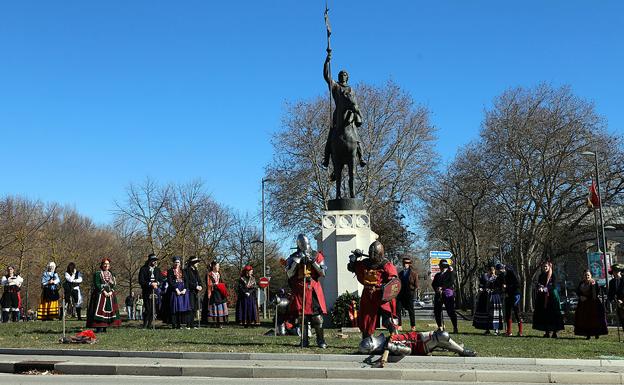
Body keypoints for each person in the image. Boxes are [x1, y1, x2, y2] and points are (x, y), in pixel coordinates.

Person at [322, 49, 366, 173]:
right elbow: (326, 75)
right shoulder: (335, 86)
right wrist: (327, 60)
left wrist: (358, 114)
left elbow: (354, 104)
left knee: (355, 136)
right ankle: (326, 159)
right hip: (338, 117)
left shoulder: (351, 89)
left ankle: (361, 157)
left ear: (347, 77)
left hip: (350, 116)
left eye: (344, 74)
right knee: (330, 137)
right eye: (341, 74)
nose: (342, 76)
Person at [348, 240, 398, 339]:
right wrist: (353, 260)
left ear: (380, 254)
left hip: (382, 295)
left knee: (388, 318)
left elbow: (394, 281)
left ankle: (395, 338)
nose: (372, 255)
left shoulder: (386, 265)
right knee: (367, 319)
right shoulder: (364, 263)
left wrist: (386, 287)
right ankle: (367, 340)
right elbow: (352, 268)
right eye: (371, 253)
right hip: (368, 295)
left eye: (375, 253)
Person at [286, 234, 328, 348]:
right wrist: (297, 261)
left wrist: (313, 261)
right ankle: (304, 340)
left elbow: (323, 273)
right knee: (302, 318)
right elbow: (289, 274)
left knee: (317, 318)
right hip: (300, 290)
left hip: (313, 288)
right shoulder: (293, 256)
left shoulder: (317, 255)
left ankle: (321, 340)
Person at [358, 329, 476, 366]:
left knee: (440, 336)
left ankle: (455, 347)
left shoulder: (388, 339)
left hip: (419, 337)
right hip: (420, 346)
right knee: (442, 336)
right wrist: (392, 346)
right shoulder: (388, 348)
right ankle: (462, 351)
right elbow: (408, 350)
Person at [86, 258, 121, 332]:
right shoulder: (98, 274)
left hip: (110, 294)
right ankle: (98, 327)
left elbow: (114, 284)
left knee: (109, 311)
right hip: (100, 294)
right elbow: (97, 283)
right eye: (105, 264)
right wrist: (103, 291)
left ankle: (105, 327)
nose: (106, 265)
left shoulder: (112, 274)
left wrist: (111, 291)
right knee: (99, 310)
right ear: (102, 265)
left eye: (108, 264)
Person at [532, 260, 564, 338]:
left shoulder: (553, 275)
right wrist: (539, 287)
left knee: (553, 314)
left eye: (546, 266)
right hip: (543, 298)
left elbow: (554, 285)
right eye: (543, 266)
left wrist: (546, 288)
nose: (545, 268)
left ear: (549, 267)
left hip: (552, 297)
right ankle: (547, 331)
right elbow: (539, 283)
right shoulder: (541, 275)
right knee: (545, 314)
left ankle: (554, 332)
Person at [574, 269, 608, 339]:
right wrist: (580, 296)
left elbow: (595, 293)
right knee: (585, 319)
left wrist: (587, 297)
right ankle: (588, 334)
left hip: (593, 303)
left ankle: (596, 334)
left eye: (588, 275)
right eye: (585, 275)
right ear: (583, 276)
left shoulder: (594, 283)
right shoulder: (581, 283)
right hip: (583, 304)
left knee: (594, 319)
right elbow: (577, 291)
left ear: (591, 275)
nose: (587, 276)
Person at [472, 262, 503, 335]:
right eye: (490, 270)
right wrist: (481, 289)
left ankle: (496, 329)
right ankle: (487, 328)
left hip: (494, 297)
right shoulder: (484, 277)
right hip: (485, 297)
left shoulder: (497, 278)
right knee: (486, 314)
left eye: (493, 270)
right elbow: (481, 285)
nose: (492, 271)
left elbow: (500, 287)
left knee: (495, 314)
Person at [496, 263, 523, 336]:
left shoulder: (511, 272)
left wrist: (507, 286)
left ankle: (520, 331)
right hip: (507, 295)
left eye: (500, 271)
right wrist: (502, 289)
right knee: (508, 313)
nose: (500, 272)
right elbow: (500, 285)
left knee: (517, 312)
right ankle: (509, 331)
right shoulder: (501, 276)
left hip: (515, 294)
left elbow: (516, 284)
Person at [431, 259, 458, 333]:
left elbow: (451, 282)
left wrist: (442, 288)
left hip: (448, 294)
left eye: (444, 266)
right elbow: (433, 284)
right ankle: (440, 326)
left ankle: (455, 327)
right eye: (441, 266)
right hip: (438, 294)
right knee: (437, 311)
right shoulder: (437, 275)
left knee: (451, 311)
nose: (442, 267)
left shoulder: (450, 273)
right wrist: (437, 289)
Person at [167, 256, 191, 329]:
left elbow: (187, 281)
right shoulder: (170, 271)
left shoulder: (183, 271)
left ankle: (185, 324)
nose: (177, 264)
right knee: (175, 307)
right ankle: (175, 325)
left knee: (184, 307)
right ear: (173, 263)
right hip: (175, 290)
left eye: (178, 262)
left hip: (183, 289)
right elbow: (170, 281)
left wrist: (185, 289)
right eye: (175, 262)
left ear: (180, 263)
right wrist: (176, 289)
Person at [138, 253, 161, 328]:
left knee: (153, 309)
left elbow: (160, 279)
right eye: (153, 260)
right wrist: (150, 284)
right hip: (147, 291)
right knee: (147, 308)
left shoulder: (157, 270)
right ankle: (144, 324)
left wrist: (157, 283)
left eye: (156, 260)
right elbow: (141, 281)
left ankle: (149, 324)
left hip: (155, 291)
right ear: (150, 261)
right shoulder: (143, 269)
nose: (155, 262)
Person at [203, 261, 229, 327]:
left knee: (221, 306)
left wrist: (221, 285)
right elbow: (208, 284)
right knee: (213, 307)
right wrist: (215, 285)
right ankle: (213, 323)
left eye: (218, 266)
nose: (218, 267)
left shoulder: (220, 274)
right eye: (217, 266)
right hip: (213, 293)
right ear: (214, 266)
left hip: (220, 293)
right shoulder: (209, 274)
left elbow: (223, 282)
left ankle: (220, 323)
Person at [396, 257, 419, 331]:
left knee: (411, 310)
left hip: (409, 294)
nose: (406, 264)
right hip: (401, 294)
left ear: (410, 264)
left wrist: (412, 292)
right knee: (398, 309)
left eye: (408, 263)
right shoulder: (400, 273)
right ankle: (399, 325)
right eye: (405, 263)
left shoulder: (414, 273)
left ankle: (413, 326)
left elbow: (416, 285)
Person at [184, 256, 202, 328]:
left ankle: (192, 324)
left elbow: (199, 280)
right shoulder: (186, 270)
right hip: (190, 291)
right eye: (196, 262)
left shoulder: (196, 271)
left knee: (194, 308)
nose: (197, 264)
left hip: (196, 292)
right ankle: (188, 324)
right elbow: (187, 281)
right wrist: (195, 286)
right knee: (190, 307)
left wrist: (200, 286)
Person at [608, 264, 624, 330]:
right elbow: (610, 294)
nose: (616, 272)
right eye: (614, 271)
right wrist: (612, 300)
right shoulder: (611, 282)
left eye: (617, 271)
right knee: (622, 321)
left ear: (620, 271)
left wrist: (622, 301)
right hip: (618, 305)